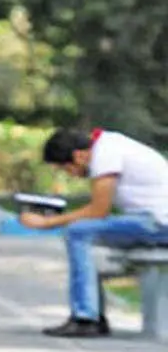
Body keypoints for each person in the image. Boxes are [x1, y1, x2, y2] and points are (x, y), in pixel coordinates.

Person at [20, 128, 168, 337]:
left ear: (79, 156)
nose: (70, 175)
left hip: (158, 222)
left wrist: (47, 222)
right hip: (153, 221)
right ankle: (92, 313)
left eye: (66, 168)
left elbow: (98, 211)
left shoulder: (105, 154)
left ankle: (86, 318)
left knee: (77, 232)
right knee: (82, 234)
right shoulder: (109, 146)